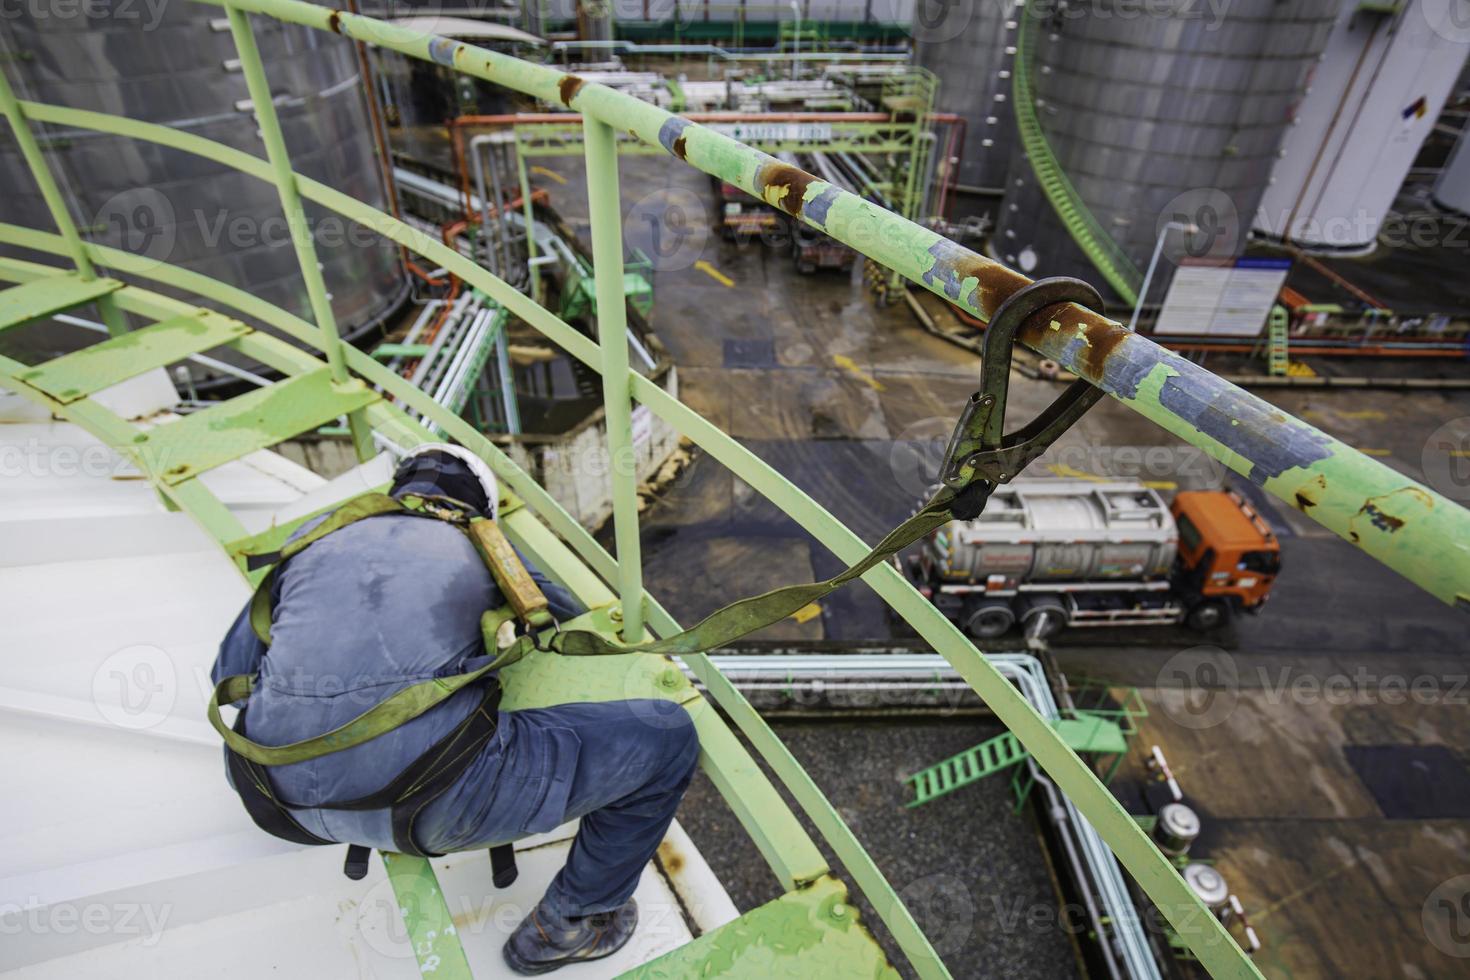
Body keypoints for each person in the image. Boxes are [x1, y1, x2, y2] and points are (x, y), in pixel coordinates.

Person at [210, 444, 700, 974]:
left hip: (269, 798)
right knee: (667, 738)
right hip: (431, 808)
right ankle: (567, 926)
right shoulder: (479, 541)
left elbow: (229, 673)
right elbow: (567, 618)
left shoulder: (318, 537)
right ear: (480, 510)